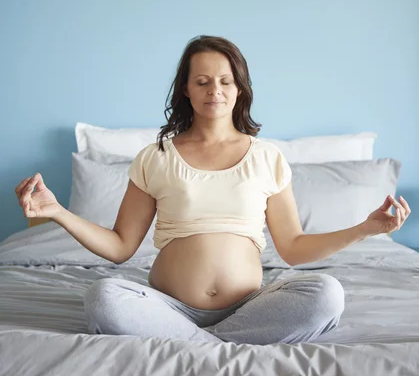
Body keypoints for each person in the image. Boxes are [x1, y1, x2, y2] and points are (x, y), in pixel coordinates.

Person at [15, 35, 410, 346]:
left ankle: (197, 345)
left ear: (240, 88)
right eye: (202, 81)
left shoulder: (266, 157)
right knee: (103, 296)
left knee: (327, 293)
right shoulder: (156, 157)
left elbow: (292, 247)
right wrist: (58, 212)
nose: (214, 90)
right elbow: (121, 246)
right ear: (185, 89)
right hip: (167, 308)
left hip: (252, 307)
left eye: (225, 81)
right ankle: (220, 345)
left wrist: (365, 229)